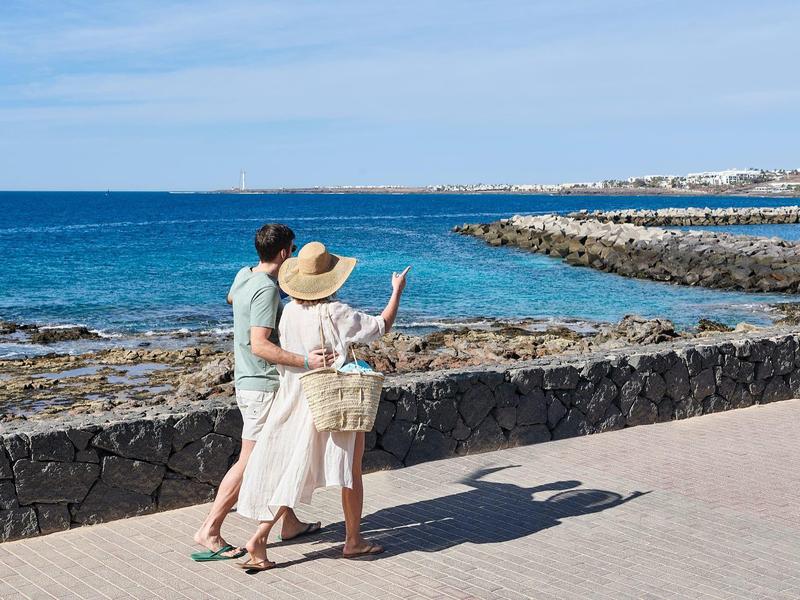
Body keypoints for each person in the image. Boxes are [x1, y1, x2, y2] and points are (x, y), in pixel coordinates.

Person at [235, 241, 410, 570]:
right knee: (350, 473)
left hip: (296, 397)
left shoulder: (288, 312)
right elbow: (380, 327)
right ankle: (353, 541)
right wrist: (396, 291)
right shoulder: (336, 312)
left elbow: (283, 355)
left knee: (293, 472)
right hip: (333, 401)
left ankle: (260, 538)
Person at [191, 225, 334, 561]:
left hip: (248, 381)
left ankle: (290, 523)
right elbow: (260, 345)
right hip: (262, 384)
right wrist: (305, 360)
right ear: (284, 253)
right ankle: (209, 529)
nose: (295, 255)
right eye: (294, 249)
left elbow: (231, 298)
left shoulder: (246, 274)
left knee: (278, 455)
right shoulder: (267, 290)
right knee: (250, 460)